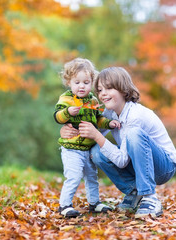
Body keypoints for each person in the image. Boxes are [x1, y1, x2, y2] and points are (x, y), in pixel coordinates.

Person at [60, 67, 176, 218]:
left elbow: (122, 160)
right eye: (100, 90)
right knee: (96, 151)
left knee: (133, 134)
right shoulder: (109, 113)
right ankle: (134, 191)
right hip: (138, 163)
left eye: (109, 88)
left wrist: (97, 135)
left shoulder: (135, 115)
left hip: (163, 167)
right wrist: (67, 131)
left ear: (123, 90)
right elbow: (89, 135)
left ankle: (150, 197)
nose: (103, 93)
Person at [54, 58, 120, 217]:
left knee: (92, 177)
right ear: (69, 82)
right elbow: (57, 117)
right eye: (77, 82)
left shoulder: (93, 100)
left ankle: (94, 203)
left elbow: (98, 119)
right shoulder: (66, 99)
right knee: (74, 176)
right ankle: (64, 205)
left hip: (88, 148)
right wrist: (67, 113)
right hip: (72, 148)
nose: (81, 86)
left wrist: (109, 123)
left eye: (86, 82)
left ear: (92, 82)